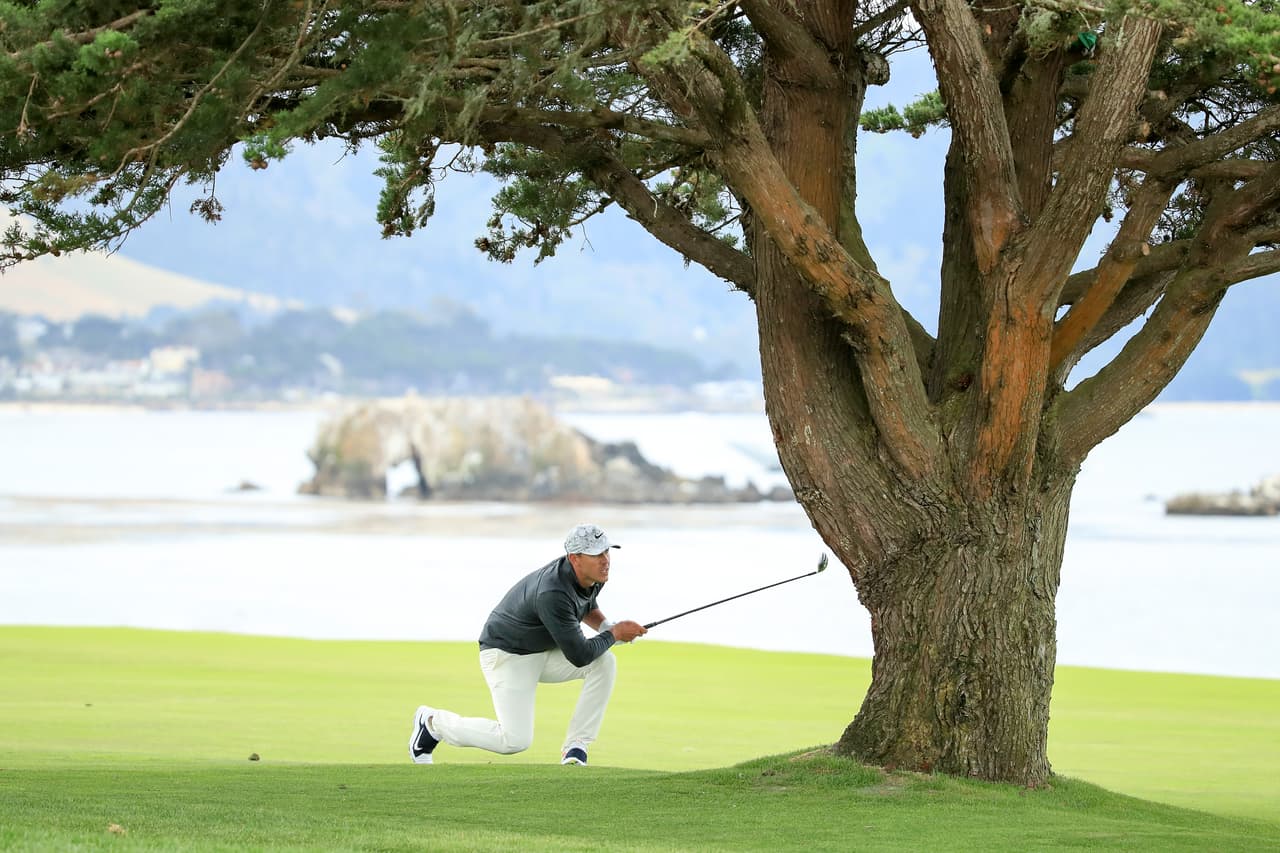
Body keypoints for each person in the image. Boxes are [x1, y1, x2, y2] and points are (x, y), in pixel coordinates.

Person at [409, 523, 647, 766]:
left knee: (604, 662)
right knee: (514, 741)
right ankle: (432, 724)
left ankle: (576, 746)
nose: (605, 560)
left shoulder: (593, 576)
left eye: (606, 551)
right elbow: (579, 655)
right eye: (597, 554)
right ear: (575, 558)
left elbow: (585, 604)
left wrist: (606, 627)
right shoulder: (552, 592)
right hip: (507, 655)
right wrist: (615, 634)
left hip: (540, 651)